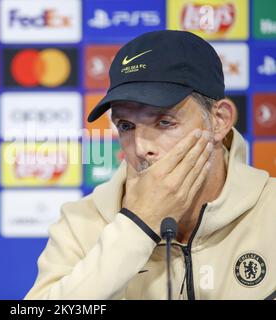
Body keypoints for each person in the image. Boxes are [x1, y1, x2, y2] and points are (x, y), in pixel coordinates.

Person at [25, 30, 276, 300]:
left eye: (164, 122)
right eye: (126, 125)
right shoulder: (80, 222)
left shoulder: (269, 208)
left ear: (219, 121)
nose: (141, 147)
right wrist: (138, 226)